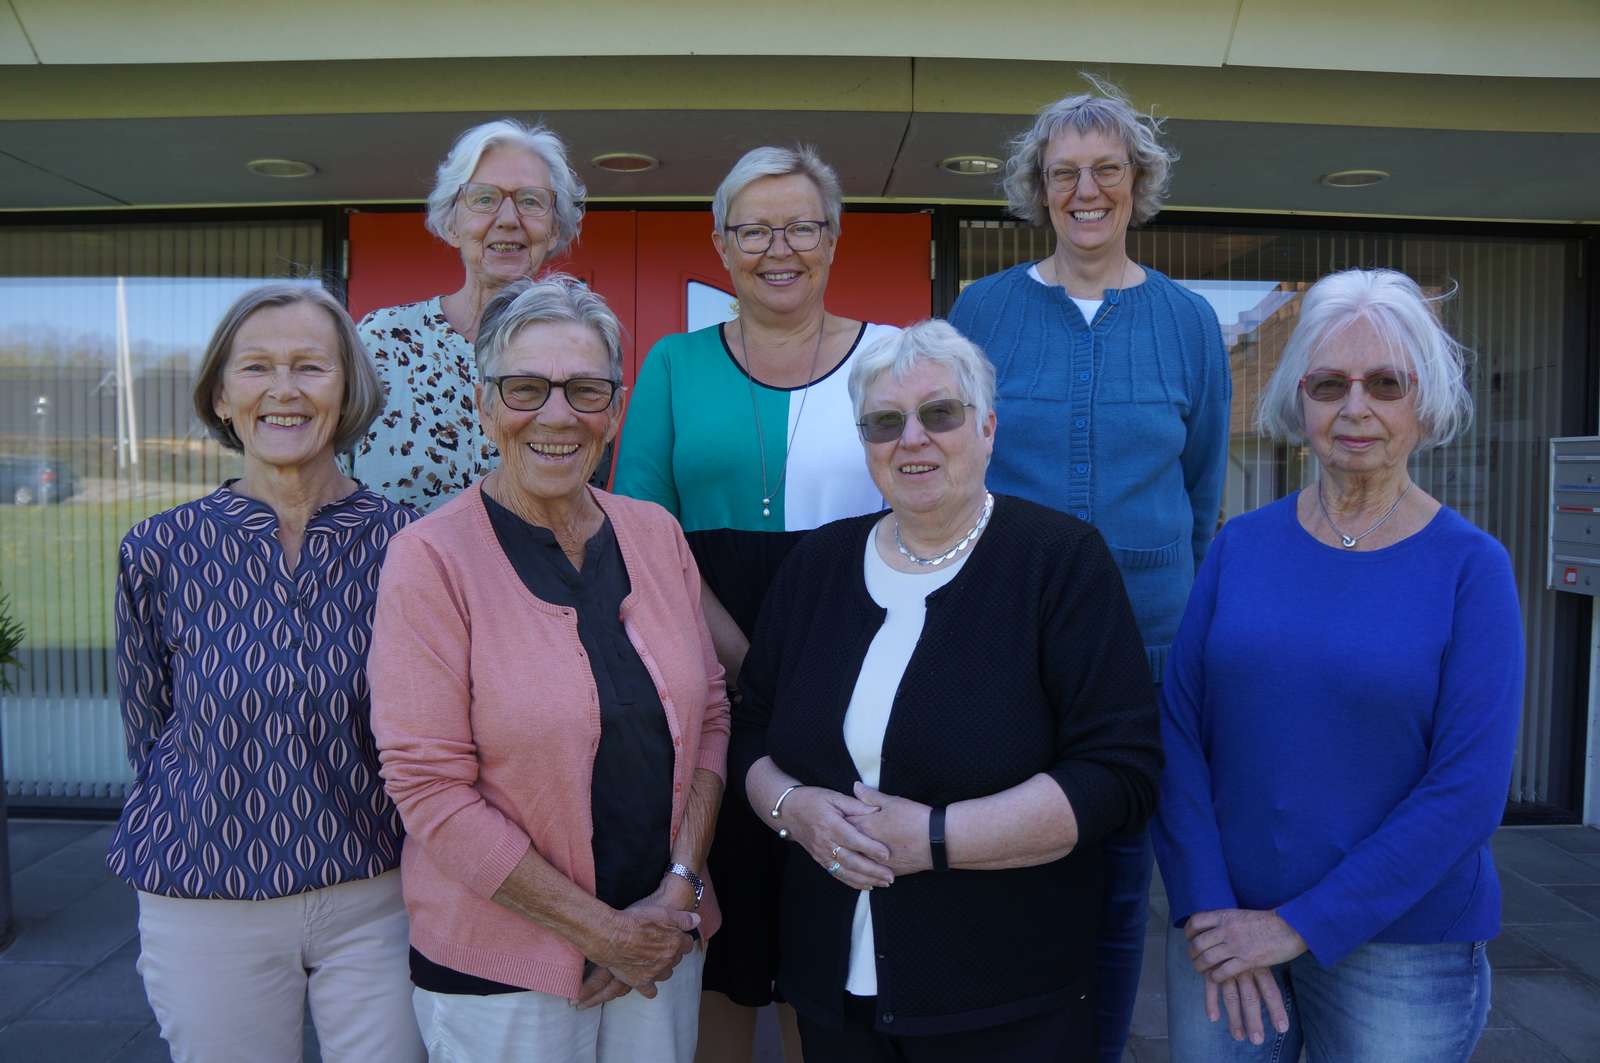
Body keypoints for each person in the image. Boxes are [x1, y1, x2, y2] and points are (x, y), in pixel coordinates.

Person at [730, 320, 1161, 1060]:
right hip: (830, 990)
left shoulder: (1059, 563)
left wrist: (935, 838)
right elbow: (751, 727)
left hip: (1004, 995)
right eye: (885, 422)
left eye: (940, 413)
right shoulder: (817, 566)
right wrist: (793, 809)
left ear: (987, 428)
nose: (912, 439)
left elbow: (1119, 773)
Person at [1152, 269, 1521, 1061]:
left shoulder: (1472, 568)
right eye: (1329, 384)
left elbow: (1467, 791)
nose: (1356, 407)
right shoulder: (1240, 544)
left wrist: (1296, 926)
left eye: (1385, 383)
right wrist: (1205, 903)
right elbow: (1178, 728)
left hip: (1402, 947)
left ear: (1423, 402)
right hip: (1226, 929)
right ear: (1301, 400)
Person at [368, 275, 729, 1063]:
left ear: (616, 408)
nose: (557, 415)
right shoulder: (429, 559)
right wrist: (601, 931)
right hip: (501, 970)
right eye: (526, 387)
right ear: (484, 404)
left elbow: (709, 716)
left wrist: (679, 886)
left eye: (585, 389)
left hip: (661, 943)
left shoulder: (656, 534)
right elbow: (429, 789)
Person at [947, 75, 1231, 1062]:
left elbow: (1201, 491)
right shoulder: (981, 310)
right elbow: (953, 468)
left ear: (1137, 182)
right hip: (1005, 642)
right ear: (1037, 188)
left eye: (1107, 169)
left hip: (1144, 658)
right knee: (998, 871)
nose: (1086, 190)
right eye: (1063, 172)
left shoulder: (1189, 322)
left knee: (1117, 890)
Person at [612, 144, 900, 1061]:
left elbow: (928, 512)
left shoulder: (894, 355)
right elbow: (643, 528)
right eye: (755, 229)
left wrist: (800, 669)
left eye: (802, 226)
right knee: (725, 921)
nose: (780, 248)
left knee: (828, 918)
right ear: (721, 244)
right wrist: (746, 659)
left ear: (834, 238)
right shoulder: (672, 363)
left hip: (857, 662)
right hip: (704, 666)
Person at [107, 284, 423, 1063]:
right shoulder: (159, 549)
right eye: (256, 367)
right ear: (222, 394)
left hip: (379, 893)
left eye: (310, 366)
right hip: (206, 890)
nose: (284, 389)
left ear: (347, 388)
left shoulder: (412, 545)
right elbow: (150, 729)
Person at [352, 118, 586, 511]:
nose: (508, 219)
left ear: (553, 228)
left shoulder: (577, 346)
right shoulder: (382, 341)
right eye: (484, 198)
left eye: (530, 201)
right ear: (451, 223)